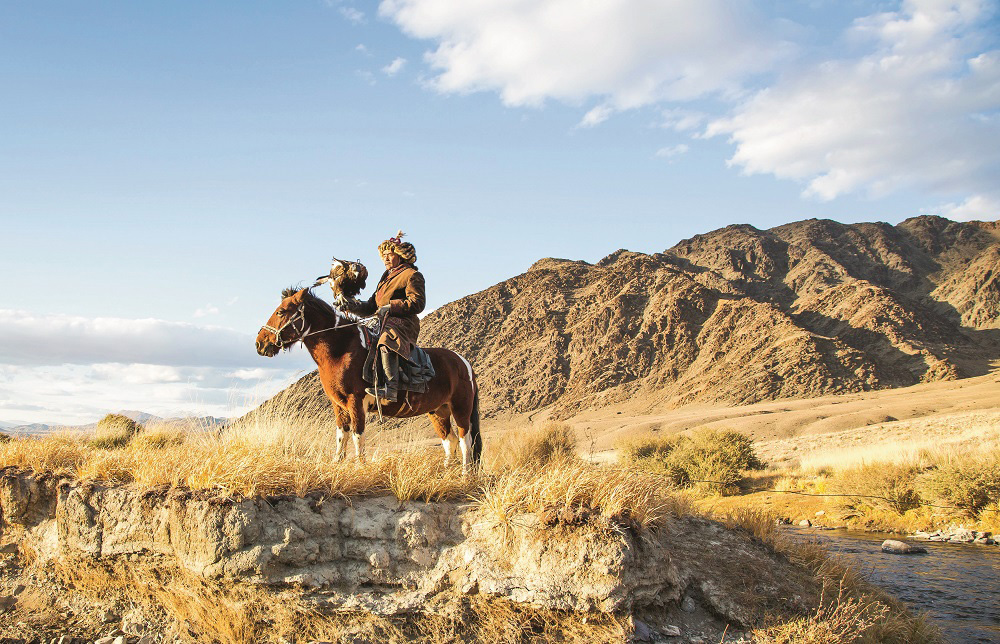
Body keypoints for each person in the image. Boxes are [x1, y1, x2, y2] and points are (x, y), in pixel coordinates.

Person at [346, 231, 425, 401]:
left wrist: (391, 306)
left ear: (400, 255)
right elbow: (370, 307)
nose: (385, 259)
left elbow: (418, 303)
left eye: (389, 255)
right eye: (383, 256)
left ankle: (391, 388)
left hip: (403, 322)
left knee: (385, 340)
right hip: (382, 320)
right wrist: (350, 305)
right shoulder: (385, 279)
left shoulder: (412, 275)